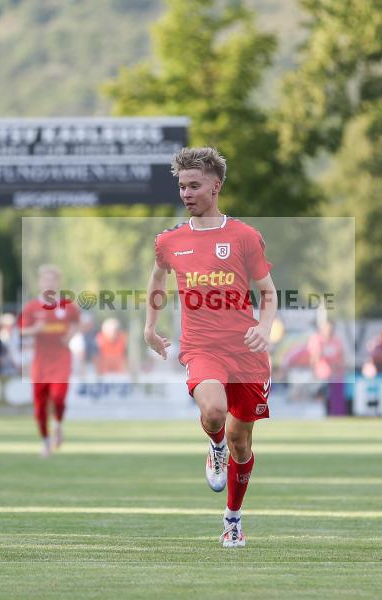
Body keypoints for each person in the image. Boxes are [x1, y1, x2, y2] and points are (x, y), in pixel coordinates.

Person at [145, 147, 276, 548]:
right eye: (182, 186)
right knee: (215, 412)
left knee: (243, 443)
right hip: (202, 348)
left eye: (194, 186)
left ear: (215, 187)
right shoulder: (169, 240)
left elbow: (268, 293)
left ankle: (233, 519)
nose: (186, 193)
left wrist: (264, 327)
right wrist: (149, 327)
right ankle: (214, 444)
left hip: (247, 352)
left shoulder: (245, 237)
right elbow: (157, 280)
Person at [19, 265, 80, 458]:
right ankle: (45, 441)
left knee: (58, 397)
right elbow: (21, 330)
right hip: (40, 363)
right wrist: (34, 330)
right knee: (40, 406)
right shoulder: (31, 307)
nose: (49, 283)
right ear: (40, 283)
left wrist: (70, 335)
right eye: (46, 280)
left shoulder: (68, 306)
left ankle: (58, 424)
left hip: (61, 360)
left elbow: (76, 323)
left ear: (58, 282)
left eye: (53, 280)